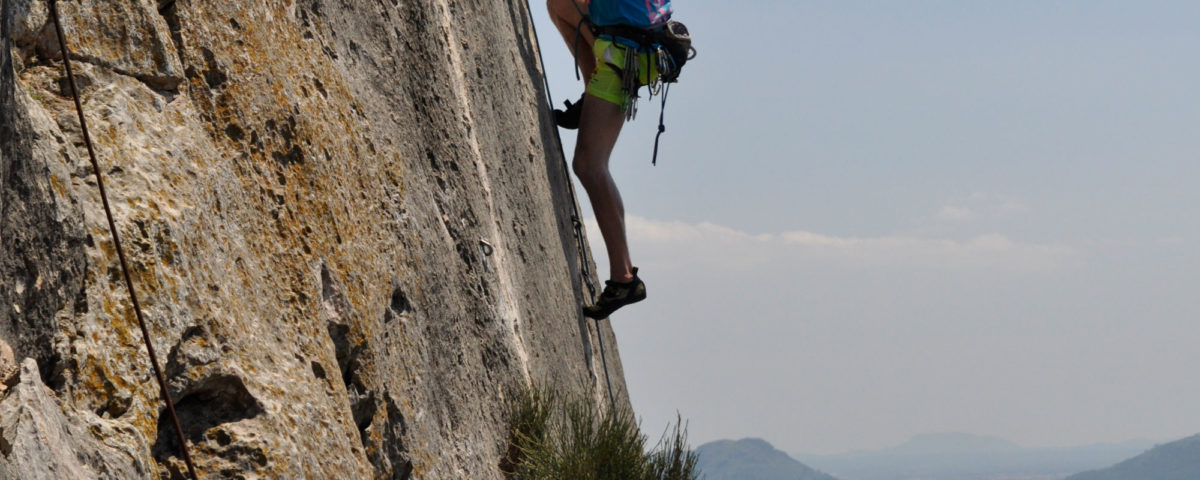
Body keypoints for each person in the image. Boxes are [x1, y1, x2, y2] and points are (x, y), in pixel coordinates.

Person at [547, 0, 674, 319]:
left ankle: (624, 278)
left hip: (624, 54)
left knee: (590, 166)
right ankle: (592, 91)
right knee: (560, 4)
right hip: (630, 40)